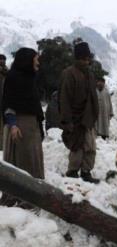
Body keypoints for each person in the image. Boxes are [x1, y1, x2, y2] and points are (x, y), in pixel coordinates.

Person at [0, 48, 44, 208]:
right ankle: (19, 201)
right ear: (27, 60)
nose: (38, 62)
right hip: (19, 126)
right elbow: (8, 103)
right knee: (21, 163)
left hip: (31, 127)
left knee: (32, 163)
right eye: (35, 59)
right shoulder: (13, 78)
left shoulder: (30, 79)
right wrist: (12, 125)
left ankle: (33, 199)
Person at [59, 42, 100, 184]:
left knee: (90, 146)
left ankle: (86, 171)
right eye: (83, 58)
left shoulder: (89, 73)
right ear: (77, 58)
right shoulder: (68, 74)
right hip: (75, 118)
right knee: (77, 146)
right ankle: (72, 172)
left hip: (87, 118)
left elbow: (92, 95)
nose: (86, 61)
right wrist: (67, 121)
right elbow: (64, 99)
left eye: (87, 58)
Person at [0, 54, 8, 150]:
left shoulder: (7, 72)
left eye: (3, 60)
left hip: (4, 102)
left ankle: (2, 145)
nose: (2, 61)